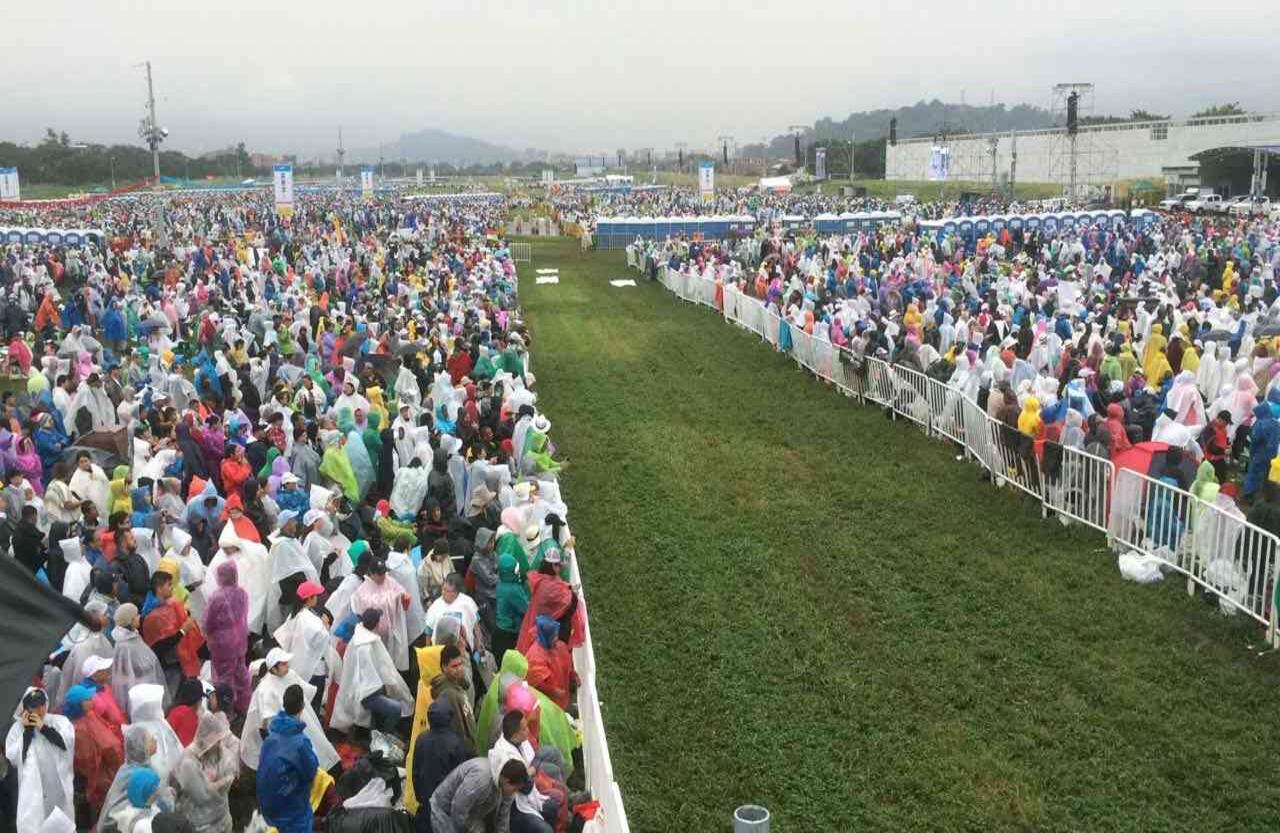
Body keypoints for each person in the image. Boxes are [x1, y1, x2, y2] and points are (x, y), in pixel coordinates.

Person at [240, 648, 340, 773]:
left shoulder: (290, 674)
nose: (287, 665)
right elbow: (268, 722)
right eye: (283, 664)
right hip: (286, 730)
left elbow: (306, 692)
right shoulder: (265, 689)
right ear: (273, 668)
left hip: (301, 717)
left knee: (317, 745)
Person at [330, 608, 415, 736]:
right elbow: (377, 673)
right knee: (396, 708)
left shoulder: (359, 639)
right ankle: (383, 735)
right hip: (367, 693)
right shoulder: (366, 645)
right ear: (376, 624)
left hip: (365, 690)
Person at [5, 688, 75, 831]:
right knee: (34, 821)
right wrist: (27, 731)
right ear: (26, 709)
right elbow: (14, 758)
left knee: (61, 820)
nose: (40, 710)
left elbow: (65, 744)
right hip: (33, 789)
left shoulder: (59, 721)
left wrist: (43, 728)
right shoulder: (17, 729)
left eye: (42, 705)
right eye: (34, 707)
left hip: (56, 785)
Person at [256, 684, 319, 833]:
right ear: (302, 706)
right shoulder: (300, 743)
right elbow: (311, 771)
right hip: (292, 812)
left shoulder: (271, 737)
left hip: (268, 807)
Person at [63, 682, 124, 820]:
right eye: (88, 699)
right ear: (80, 705)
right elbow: (89, 761)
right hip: (97, 779)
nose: (92, 701)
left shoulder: (85, 716)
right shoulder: (80, 729)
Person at [171, 712, 239, 833]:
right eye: (216, 740)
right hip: (199, 822)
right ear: (206, 738)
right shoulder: (189, 759)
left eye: (220, 740)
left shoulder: (219, 753)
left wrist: (227, 777)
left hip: (220, 818)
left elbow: (229, 767)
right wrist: (222, 783)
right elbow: (201, 796)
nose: (219, 744)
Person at [271, 580, 332, 712]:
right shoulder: (312, 621)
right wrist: (325, 626)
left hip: (297, 668)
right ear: (309, 598)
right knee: (312, 707)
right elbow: (322, 641)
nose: (317, 598)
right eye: (315, 595)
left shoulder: (295, 615)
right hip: (315, 670)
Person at [410, 700, 470, 833]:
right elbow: (460, 777)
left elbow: (415, 769)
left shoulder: (421, 739)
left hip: (425, 799)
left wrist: (419, 795)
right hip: (445, 802)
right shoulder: (456, 743)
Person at [201, 560, 251, 715]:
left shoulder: (216, 597)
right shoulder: (242, 593)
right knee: (241, 674)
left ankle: (226, 712)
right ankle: (245, 706)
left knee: (224, 678)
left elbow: (208, 622)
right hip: (241, 641)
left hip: (222, 645)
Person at [428, 756, 527, 833]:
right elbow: (458, 809)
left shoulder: (506, 786)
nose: (514, 793)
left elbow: (503, 817)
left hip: (471, 815)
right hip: (445, 812)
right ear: (506, 781)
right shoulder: (481, 779)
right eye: (514, 789)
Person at [110, 604, 167, 712]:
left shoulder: (134, 635)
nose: (139, 617)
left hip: (148, 683)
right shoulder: (124, 645)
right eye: (136, 615)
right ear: (130, 620)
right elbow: (128, 671)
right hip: (140, 690)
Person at [428, 644, 476, 755]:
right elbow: (459, 729)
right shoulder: (449, 695)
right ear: (444, 668)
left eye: (460, 664)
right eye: (454, 666)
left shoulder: (456, 684)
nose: (459, 669)